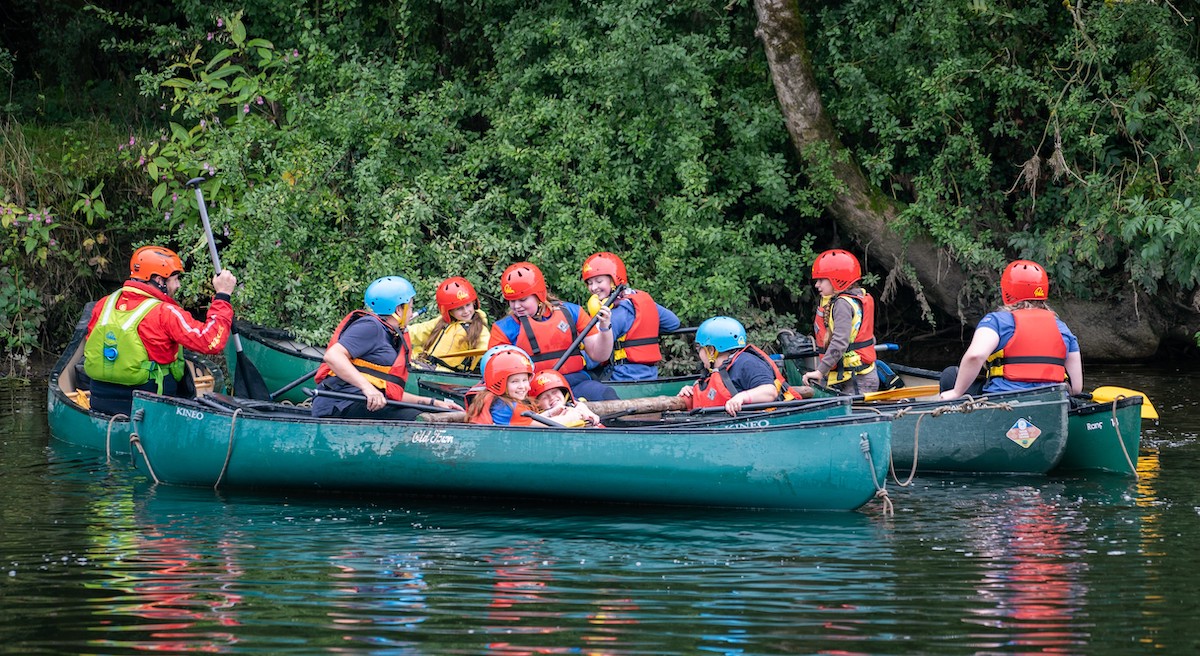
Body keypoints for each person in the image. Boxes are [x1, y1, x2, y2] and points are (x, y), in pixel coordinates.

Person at [83, 245, 236, 416]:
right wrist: (223, 296)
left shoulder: (103, 304)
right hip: (148, 407)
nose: (178, 286)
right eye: (175, 279)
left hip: (100, 401)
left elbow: (91, 341)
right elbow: (210, 341)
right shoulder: (165, 312)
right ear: (158, 280)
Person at [311, 276, 462, 420]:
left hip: (362, 403)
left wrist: (433, 403)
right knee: (416, 418)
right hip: (339, 405)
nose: (411, 313)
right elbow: (333, 356)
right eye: (410, 308)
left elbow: (388, 391)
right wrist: (368, 389)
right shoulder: (371, 326)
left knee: (425, 413)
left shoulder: (391, 334)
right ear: (398, 310)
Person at [940, 260, 1083, 400]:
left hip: (1004, 400)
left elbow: (975, 356)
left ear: (1007, 290)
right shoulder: (1062, 328)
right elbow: (1076, 388)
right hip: (1053, 401)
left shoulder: (997, 321)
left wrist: (957, 392)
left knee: (950, 375)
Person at [489, 261, 618, 401]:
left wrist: (605, 327)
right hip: (532, 391)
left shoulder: (572, 313)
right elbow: (496, 376)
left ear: (539, 295)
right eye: (512, 301)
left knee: (606, 394)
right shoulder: (503, 329)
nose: (516, 306)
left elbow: (600, 355)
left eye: (523, 300)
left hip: (575, 382)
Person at [677, 316, 810, 416]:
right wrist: (691, 391)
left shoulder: (747, 363)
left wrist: (741, 397)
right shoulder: (716, 370)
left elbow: (769, 391)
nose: (699, 353)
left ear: (711, 350)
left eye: (700, 348)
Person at [580, 251, 681, 381]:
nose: (593, 287)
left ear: (614, 280)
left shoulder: (613, 315)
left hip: (623, 378)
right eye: (589, 283)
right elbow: (673, 323)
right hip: (650, 375)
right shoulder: (642, 299)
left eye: (599, 281)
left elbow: (594, 358)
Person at [801, 249, 880, 394]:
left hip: (858, 379)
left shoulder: (842, 304)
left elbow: (840, 342)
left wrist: (820, 372)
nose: (817, 285)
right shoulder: (854, 298)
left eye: (821, 280)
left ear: (836, 280)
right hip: (849, 375)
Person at [409, 276, 489, 372]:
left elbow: (487, 351)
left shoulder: (479, 329)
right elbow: (420, 331)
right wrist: (400, 329)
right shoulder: (443, 322)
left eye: (468, 305)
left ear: (474, 303)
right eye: (459, 308)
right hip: (425, 364)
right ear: (449, 311)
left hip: (448, 376)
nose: (466, 311)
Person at [465, 349, 540, 425]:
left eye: (524, 380)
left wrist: (550, 412)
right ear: (500, 382)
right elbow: (546, 425)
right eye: (514, 381)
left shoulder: (490, 398)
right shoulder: (509, 408)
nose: (522, 386)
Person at [529, 368, 602, 427]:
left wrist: (585, 410)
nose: (551, 398)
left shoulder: (578, 405)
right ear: (537, 403)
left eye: (555, 392)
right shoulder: (538, 417)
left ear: (563, 393)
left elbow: (581, 403)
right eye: (545, 397)